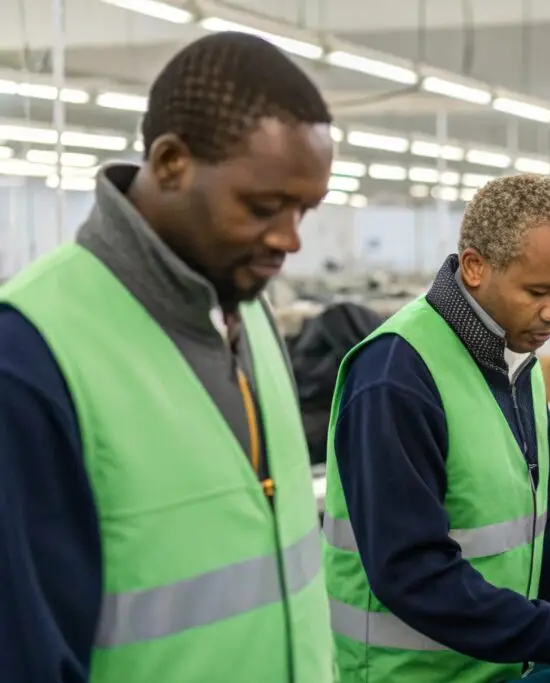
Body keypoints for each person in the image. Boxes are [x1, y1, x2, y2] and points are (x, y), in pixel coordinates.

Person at [0, 33, 335, 683]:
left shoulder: (254, 314)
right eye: (264, 207)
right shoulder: (31, 354)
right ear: (172, 162)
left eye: (306, 210)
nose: (290, 238)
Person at [322, 174, 550, 682]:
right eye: (538, 291)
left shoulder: (517, 365)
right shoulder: (395, 375)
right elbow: (412, 571)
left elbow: (543, 527)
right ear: (475, 267)